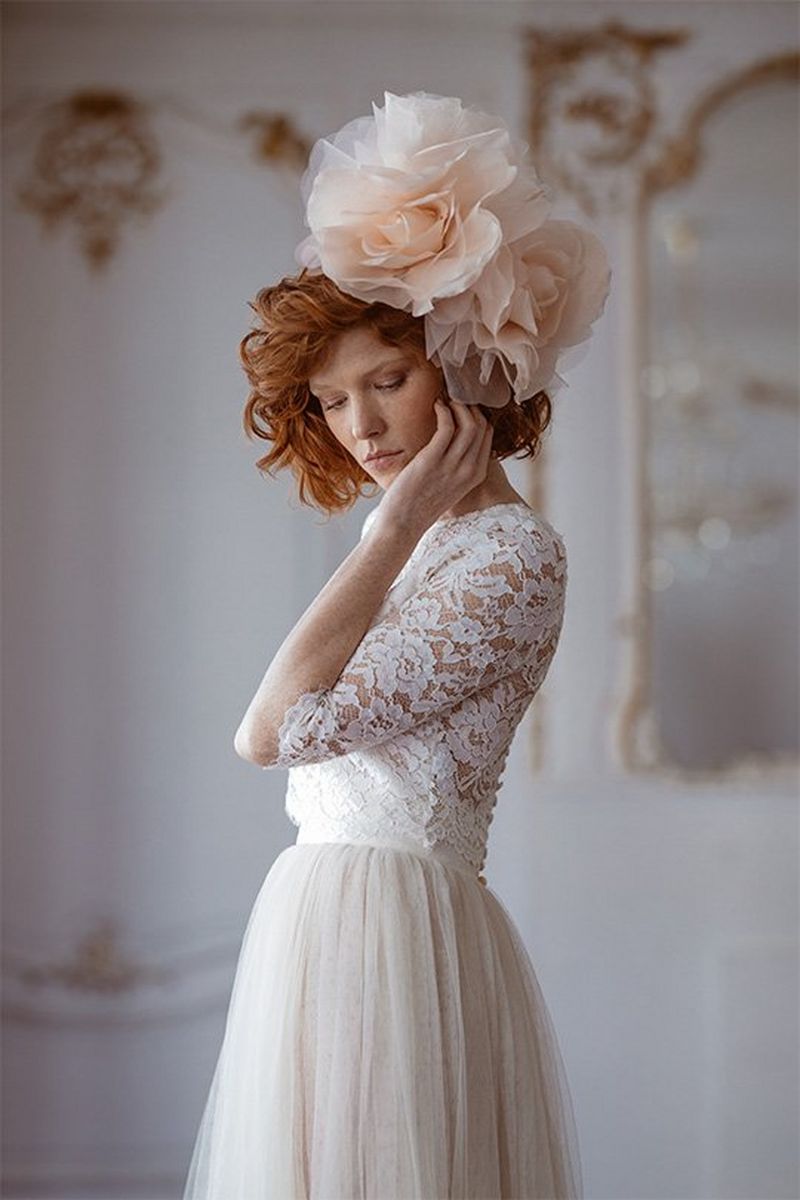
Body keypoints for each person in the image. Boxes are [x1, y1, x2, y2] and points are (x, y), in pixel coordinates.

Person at [183, 90, 611, 1200]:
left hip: (394, 932)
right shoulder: (425, 548)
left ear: (461, 372)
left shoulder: (510, 557)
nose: (361, 427)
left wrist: (387, 528)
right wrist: (397, 534)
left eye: (388, 379)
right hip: (328, 919)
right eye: (328, 402)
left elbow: (270, 732)